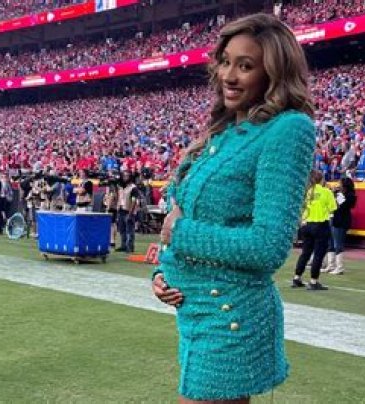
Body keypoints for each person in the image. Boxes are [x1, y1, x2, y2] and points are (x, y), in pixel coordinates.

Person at [151, 14, 315, 403]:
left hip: (231, 315)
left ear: (273, 72)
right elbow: (183, 213)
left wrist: (180, 234)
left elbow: (268, 246)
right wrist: (162, 273)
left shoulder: (288, 129)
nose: (229, 75)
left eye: (245, 65)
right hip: (195, 312)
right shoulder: (221, 133)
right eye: (225, 62)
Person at [293, 170, 337, 290]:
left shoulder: (307, 192)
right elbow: (332, 208)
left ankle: (297, 277)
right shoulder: (326, 192)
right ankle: (313, 281)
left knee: (305, 253)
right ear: (321, 179)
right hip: (320, 225)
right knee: (318, 254)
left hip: (306, 225)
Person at [324, 177, 357, 275]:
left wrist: (337, 193)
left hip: (341, 221)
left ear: (345, 185)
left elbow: (343, 205)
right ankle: (331, 265)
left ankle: (339, 267)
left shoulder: (350, 196)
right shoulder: (338, 193)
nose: (338, 185)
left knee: (338, 244)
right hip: (333, 219)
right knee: (330, 243)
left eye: (340, 183)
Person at [115, 172, 140, 253]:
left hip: (128, 211)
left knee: (129, 230)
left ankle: (130, 247)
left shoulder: (133, 188)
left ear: (130, 177)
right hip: (121, 210)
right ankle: (123, 246)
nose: (125, 177)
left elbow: (134, 201)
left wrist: (130, 213)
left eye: (127, 176)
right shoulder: (121, 187)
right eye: (124, 176)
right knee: (122, 230)